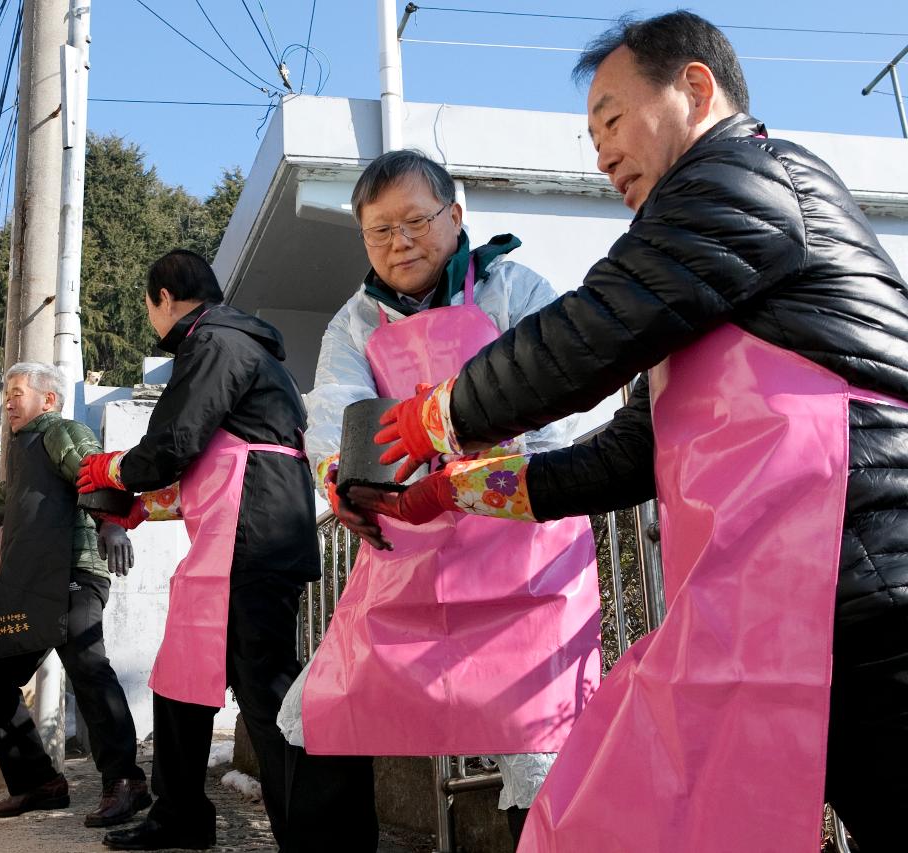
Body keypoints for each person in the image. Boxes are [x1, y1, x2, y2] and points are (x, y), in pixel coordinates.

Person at [362, 11, 908, 853]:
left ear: (695, 89)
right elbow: (630, 454)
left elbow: (595, 327)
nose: (602, 153)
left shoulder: (744, 176)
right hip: (805, 598)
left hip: (875, 575)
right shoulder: (707, 267)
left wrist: (441, 413)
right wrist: (459, 490)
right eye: (592, 135)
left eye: (612, 119)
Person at [296, 149, 601, 844]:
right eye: (380, 230)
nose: (399, 242)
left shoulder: (516, 288)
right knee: (328, 708)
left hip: (525, 549)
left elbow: (560, 392)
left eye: (415, 221)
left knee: (546, 739)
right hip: (412, 547)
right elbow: (337, 410)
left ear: (455, 216)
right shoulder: (353, 323)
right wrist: (343, 480)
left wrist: (472, 464)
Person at [78, 249, 379, 852]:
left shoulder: (215, 344)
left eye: (149, 306)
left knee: (268, 690)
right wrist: (149, 504)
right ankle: (179, 815)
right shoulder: (235, 344)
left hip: (251, 540)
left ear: (162, 297)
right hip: (242, 532)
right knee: (179, 678)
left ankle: (321, 838)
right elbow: (218, 462)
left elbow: (175, 443)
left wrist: (114, 468)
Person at [0, 363, 146, 827]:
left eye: (17, 392)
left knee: (87, 667)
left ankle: (125, 781)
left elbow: (93, 470)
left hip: (72, 571)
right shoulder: (21, 452)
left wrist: (112, 522)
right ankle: (38, 783)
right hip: (28, 584)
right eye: (6, 392)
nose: (8, 400)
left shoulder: (62, 431)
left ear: (47, 400)